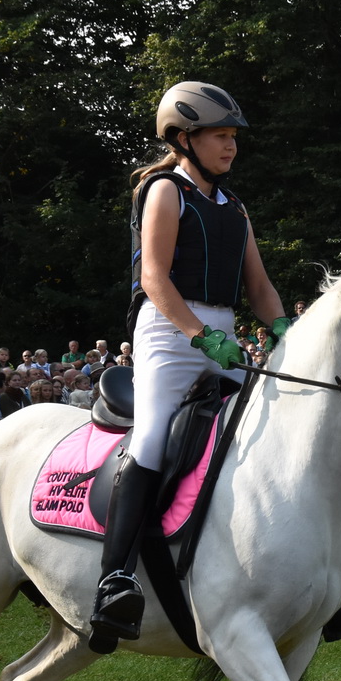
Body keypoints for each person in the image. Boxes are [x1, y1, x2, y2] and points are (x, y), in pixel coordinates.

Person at [91, 81, 290, 640]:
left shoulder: (234, 207)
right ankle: (114, 582)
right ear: (183, 139)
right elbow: (153, 277)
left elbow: (260, 284)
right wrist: (201, 336)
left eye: (233, 137)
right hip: (168, 330)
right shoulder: (165, 192)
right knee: (153, 438)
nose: (231, 146)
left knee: (259, 435)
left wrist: (280, 325)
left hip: (220, 330)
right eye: (220, 136)